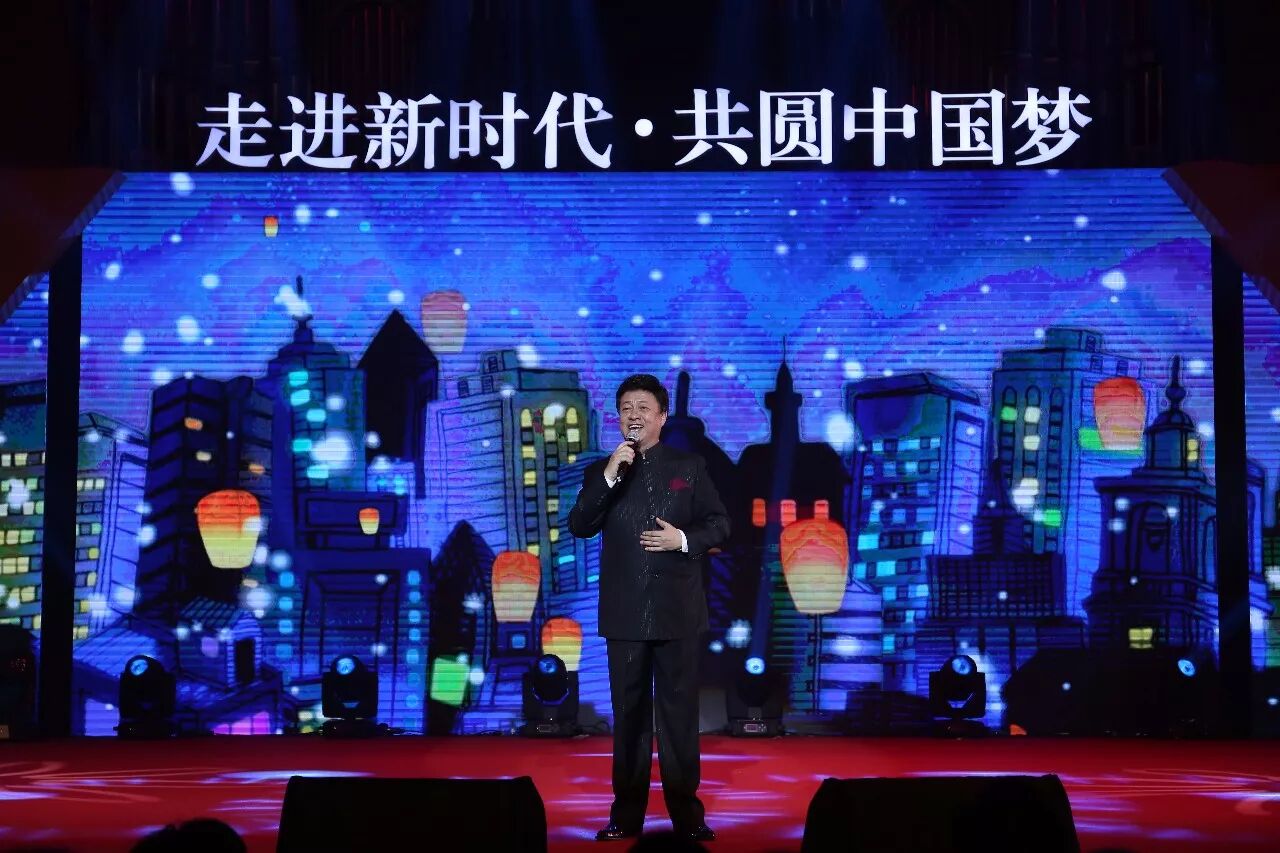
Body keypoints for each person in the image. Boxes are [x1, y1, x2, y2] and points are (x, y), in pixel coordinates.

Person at [569, 374, 730, 843]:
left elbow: (721, 524)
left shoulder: (689, 466)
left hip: (677, 610)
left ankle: (687, 815)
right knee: (629, 720)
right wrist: (608, 476)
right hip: (624, 614)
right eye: (625, 408)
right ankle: (626, 816)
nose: (633, 415)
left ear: (661, 416)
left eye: (642, 407)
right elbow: (580, 524)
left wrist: (683, 539)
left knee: (679, 719)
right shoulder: (603, 471)